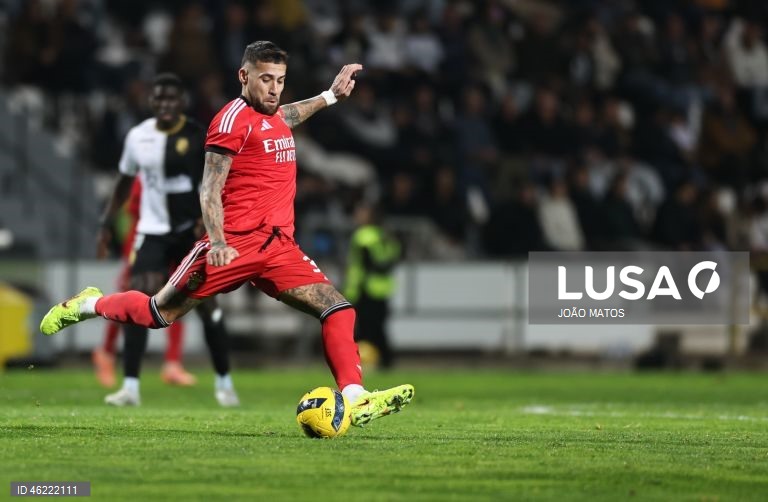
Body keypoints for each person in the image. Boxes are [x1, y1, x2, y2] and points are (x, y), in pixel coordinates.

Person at [40, 41, 414, 426]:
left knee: (338, 309)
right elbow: (210, 187)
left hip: (278, 246)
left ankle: (356, 398)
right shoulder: (230, 120)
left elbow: (285, 115)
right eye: (266, 79)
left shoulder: (271, 113)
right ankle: (88, 304)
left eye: (280, 80)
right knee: (158, 313)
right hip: (232, 245)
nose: (274, 88)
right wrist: (217, 241)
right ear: (244, 76)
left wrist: (329, 96)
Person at [90, 72, 239, 407]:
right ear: (152, 101)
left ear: (182, 103)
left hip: (191, 233)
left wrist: (212, 222)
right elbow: (123, 183)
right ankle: (130, 387)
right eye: (160, 98)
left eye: (172, 99)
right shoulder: (137, 137)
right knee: (137, 301)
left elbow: (217, 182)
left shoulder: (198, 136)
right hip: (153, 233)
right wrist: (105, 225)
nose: (166, 104)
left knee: (208, 308)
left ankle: (224, 382)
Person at [92, 179, 196, 388]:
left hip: (175, 237)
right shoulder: (147, 166)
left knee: (177, 293)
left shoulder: (178, 161)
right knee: (131, 294)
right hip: (146, 238)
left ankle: (173, 363)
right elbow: (133, 209)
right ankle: (107, 352)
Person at [343, 202, 401, 369]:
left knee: (363, 329)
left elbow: (364, 264)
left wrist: (353, 286)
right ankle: (385, 360)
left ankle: (362, 362)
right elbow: (394, 257)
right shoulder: (385, 235)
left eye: (361, 212)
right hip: (382, 288)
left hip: (364, 288)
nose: (357, 215)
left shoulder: (363, 236)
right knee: (378, 328)